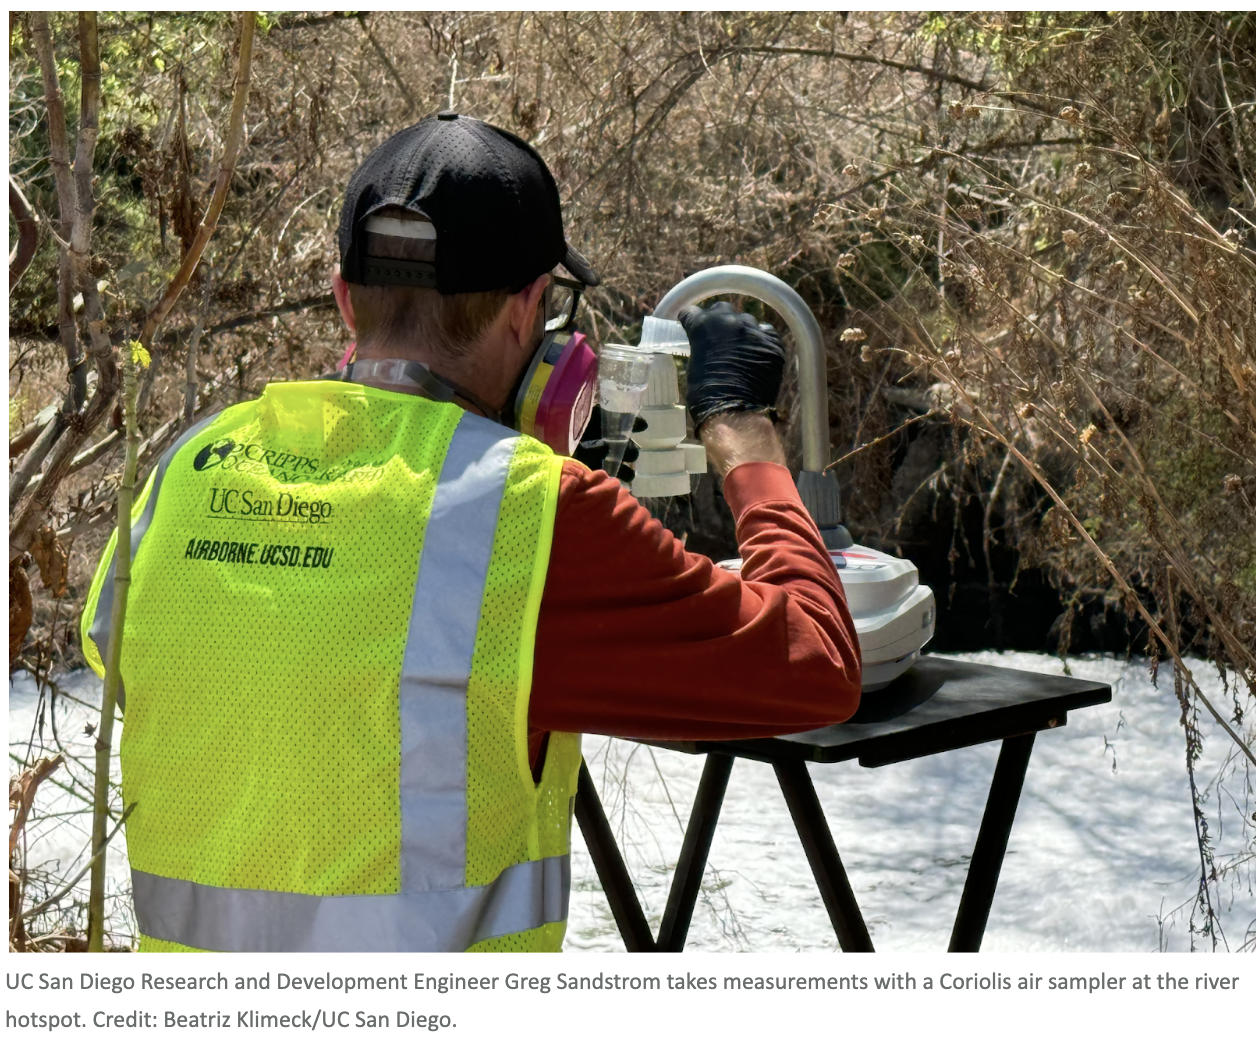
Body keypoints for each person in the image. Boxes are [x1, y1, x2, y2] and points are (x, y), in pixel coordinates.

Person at [80, 112, 860, 953]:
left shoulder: (188, 467)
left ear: (346, 299)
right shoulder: (533, 510)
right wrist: (741, 432)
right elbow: (816, 667)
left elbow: (165, 650)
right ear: (529, 312)